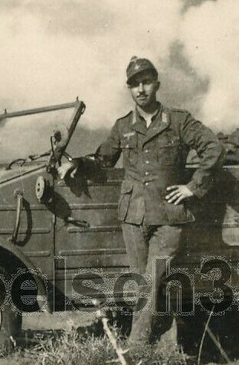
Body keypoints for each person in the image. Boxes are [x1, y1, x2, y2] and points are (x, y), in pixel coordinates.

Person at [94, 56, 225, 345]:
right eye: (134, 84)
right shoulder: (122, 126)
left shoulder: (178, 121)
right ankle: (166, 351)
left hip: (168, 218)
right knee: (146, 286)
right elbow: (101, 160)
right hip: (133, 218)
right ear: (129, 89)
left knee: (151, 283)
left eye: (146, 82)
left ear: (157, 84)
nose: (140, 89)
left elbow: (213, 148)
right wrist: (74, 165)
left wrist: (193, 187)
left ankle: (134, 348)